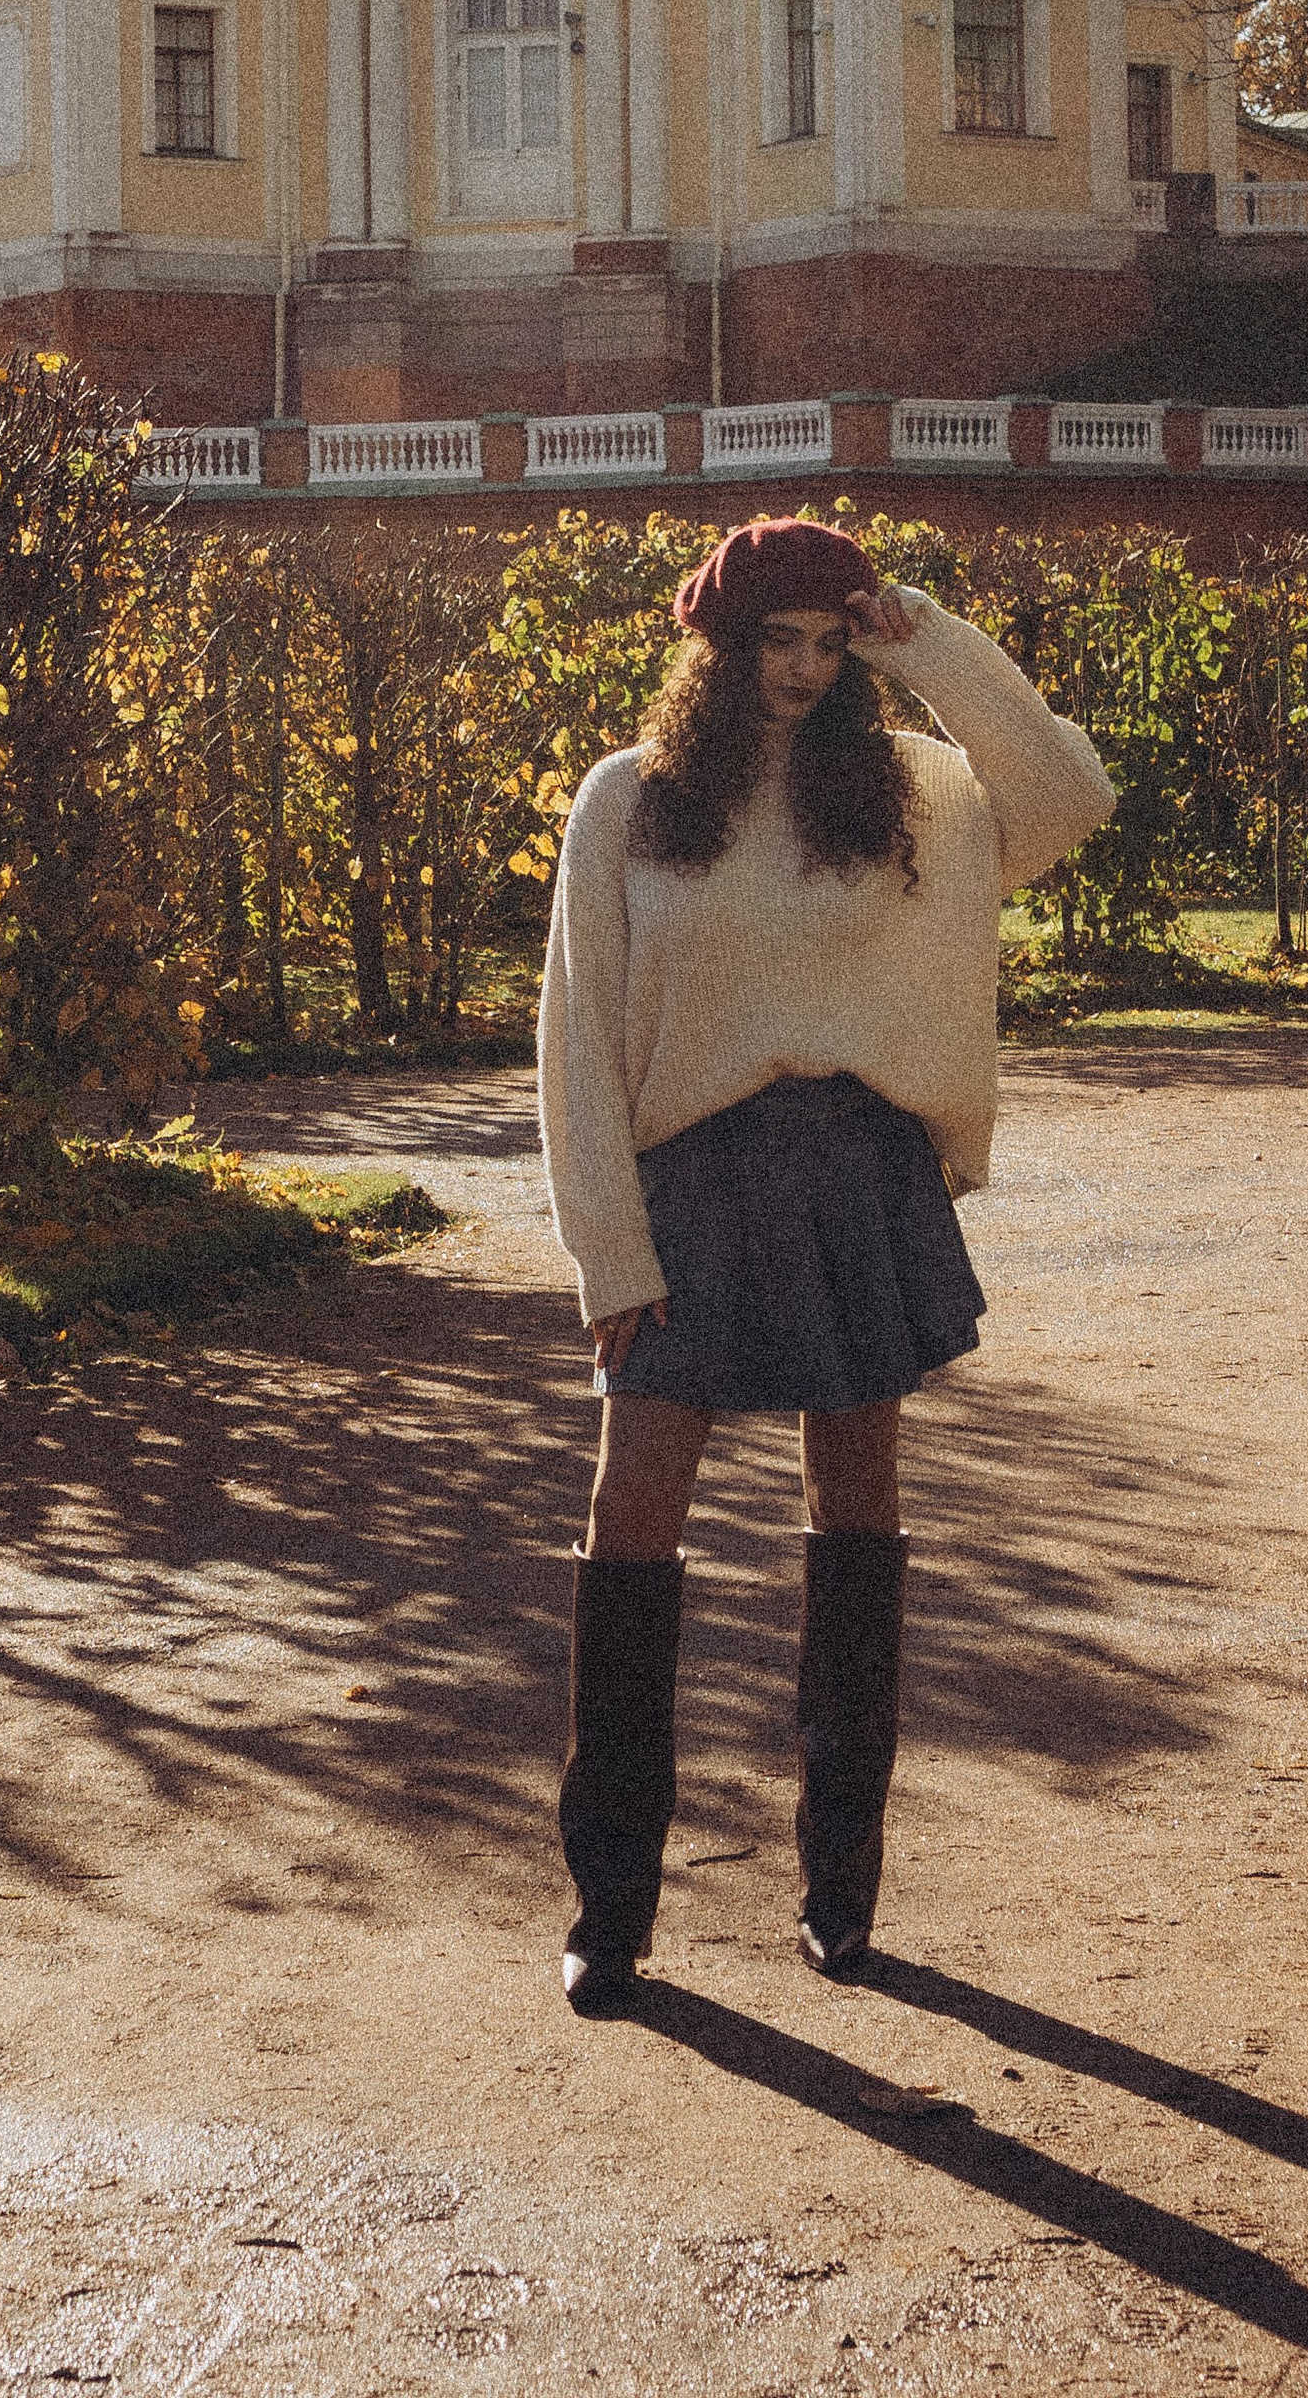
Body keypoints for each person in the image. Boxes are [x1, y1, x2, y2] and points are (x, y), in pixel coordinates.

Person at [536, 513, 1115, 2013]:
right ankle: (611, 1909)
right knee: (632, 1513)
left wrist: (930, 646)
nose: (798, 671)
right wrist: (610, 1253)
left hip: (857, 1175)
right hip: (691, 1182)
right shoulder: (631, 802)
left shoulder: (913, 792)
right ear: (714, 654)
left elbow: (1068, 794)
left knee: (856, 1510)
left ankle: (839, 1892)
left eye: (823, 643)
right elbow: (576, 1039)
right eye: (771, 643)